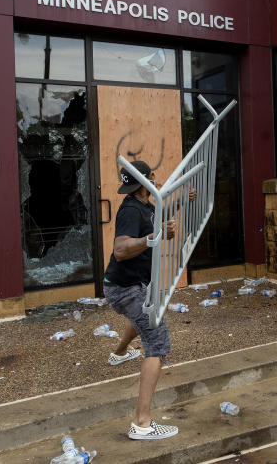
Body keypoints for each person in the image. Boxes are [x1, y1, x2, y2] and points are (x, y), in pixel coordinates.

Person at [102, 160, 181, 441]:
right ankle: (142, 424)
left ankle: (120, 353)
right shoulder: (130, 210)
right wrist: (152, 238)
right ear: (148, 180)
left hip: (130, 286)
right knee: (157, 341)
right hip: (125, 289)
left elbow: (158, 218)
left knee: (143, 318)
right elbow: (121, 250)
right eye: (153, 178)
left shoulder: (146, 205)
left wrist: (182, 201)